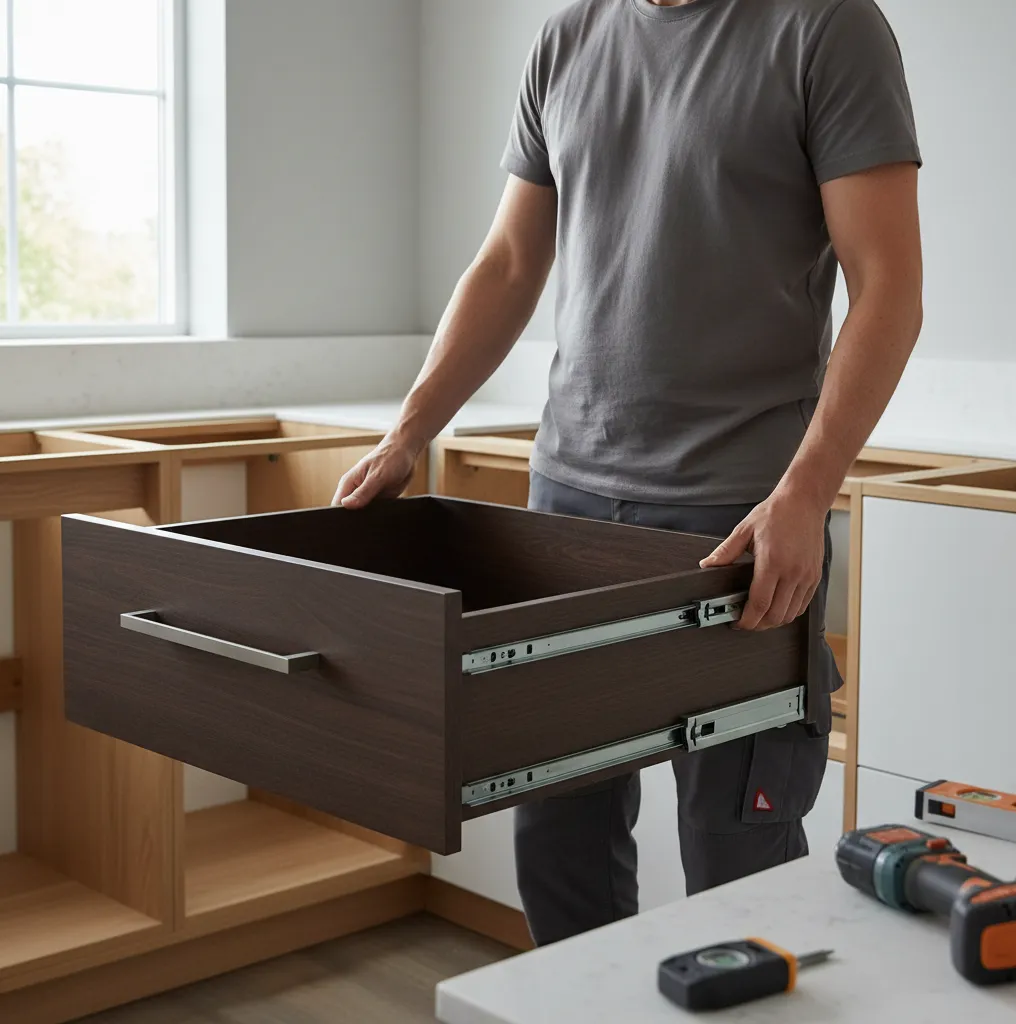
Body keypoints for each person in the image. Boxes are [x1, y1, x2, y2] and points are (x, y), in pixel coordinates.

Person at [333, 0, 923, 947]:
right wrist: (410, 431)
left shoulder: (826, 27)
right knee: (557, 836)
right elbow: (510, 262)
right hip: (565, 505)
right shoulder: (566, 39)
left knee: (738, 857)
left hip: (738, 520)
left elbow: (887, 284)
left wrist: (808, 491)